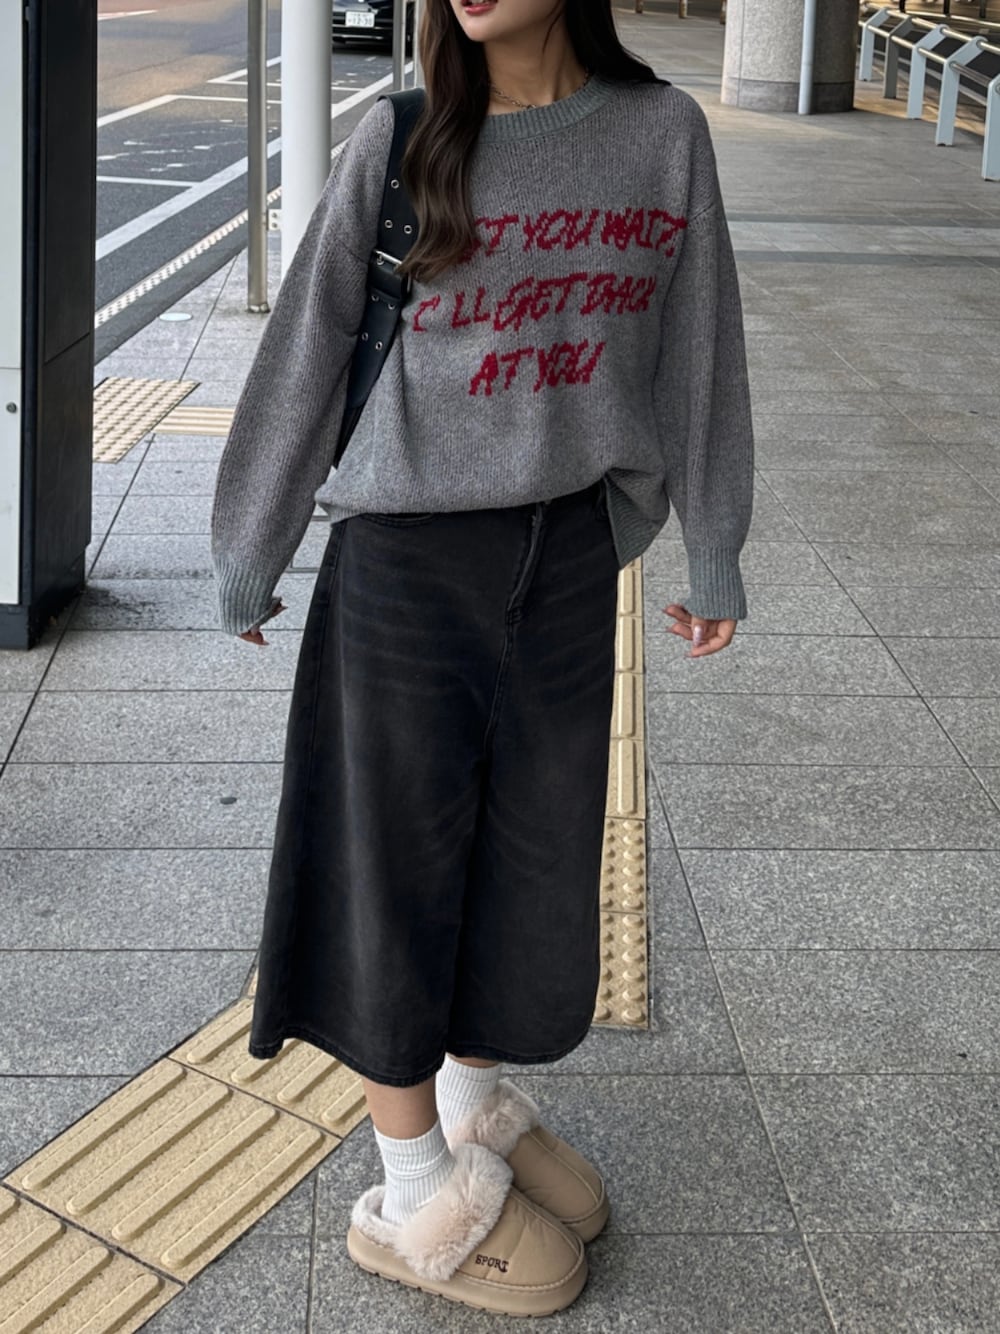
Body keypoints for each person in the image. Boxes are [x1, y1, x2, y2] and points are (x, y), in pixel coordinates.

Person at [211, 0, 753, 1316]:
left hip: (568, 555)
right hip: (407, 563)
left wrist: (714, 546)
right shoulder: (401, 142)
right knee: (391, 870)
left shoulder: (662, 134)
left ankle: (471, 1110)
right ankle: (411, 1192)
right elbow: (308, 344)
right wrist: (250, 544)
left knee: (532, 856)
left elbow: (700, 347)